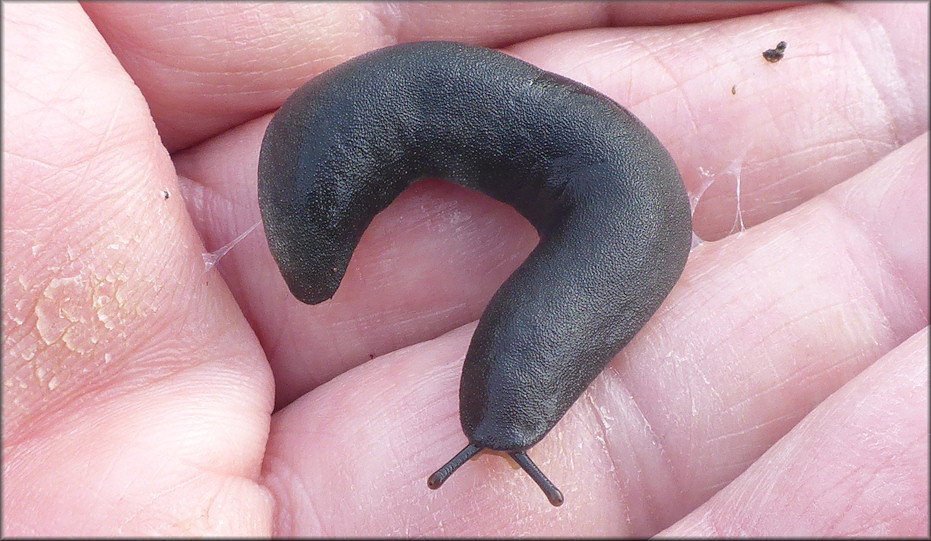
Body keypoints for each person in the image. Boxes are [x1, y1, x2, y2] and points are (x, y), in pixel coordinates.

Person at [3, 2, 927, 536]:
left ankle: (504, 418)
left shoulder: (627, 196)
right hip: (373, 121)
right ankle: (502, 414)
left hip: (582, 173)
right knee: (617, 216)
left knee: (628, 212)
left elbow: (634, 223)